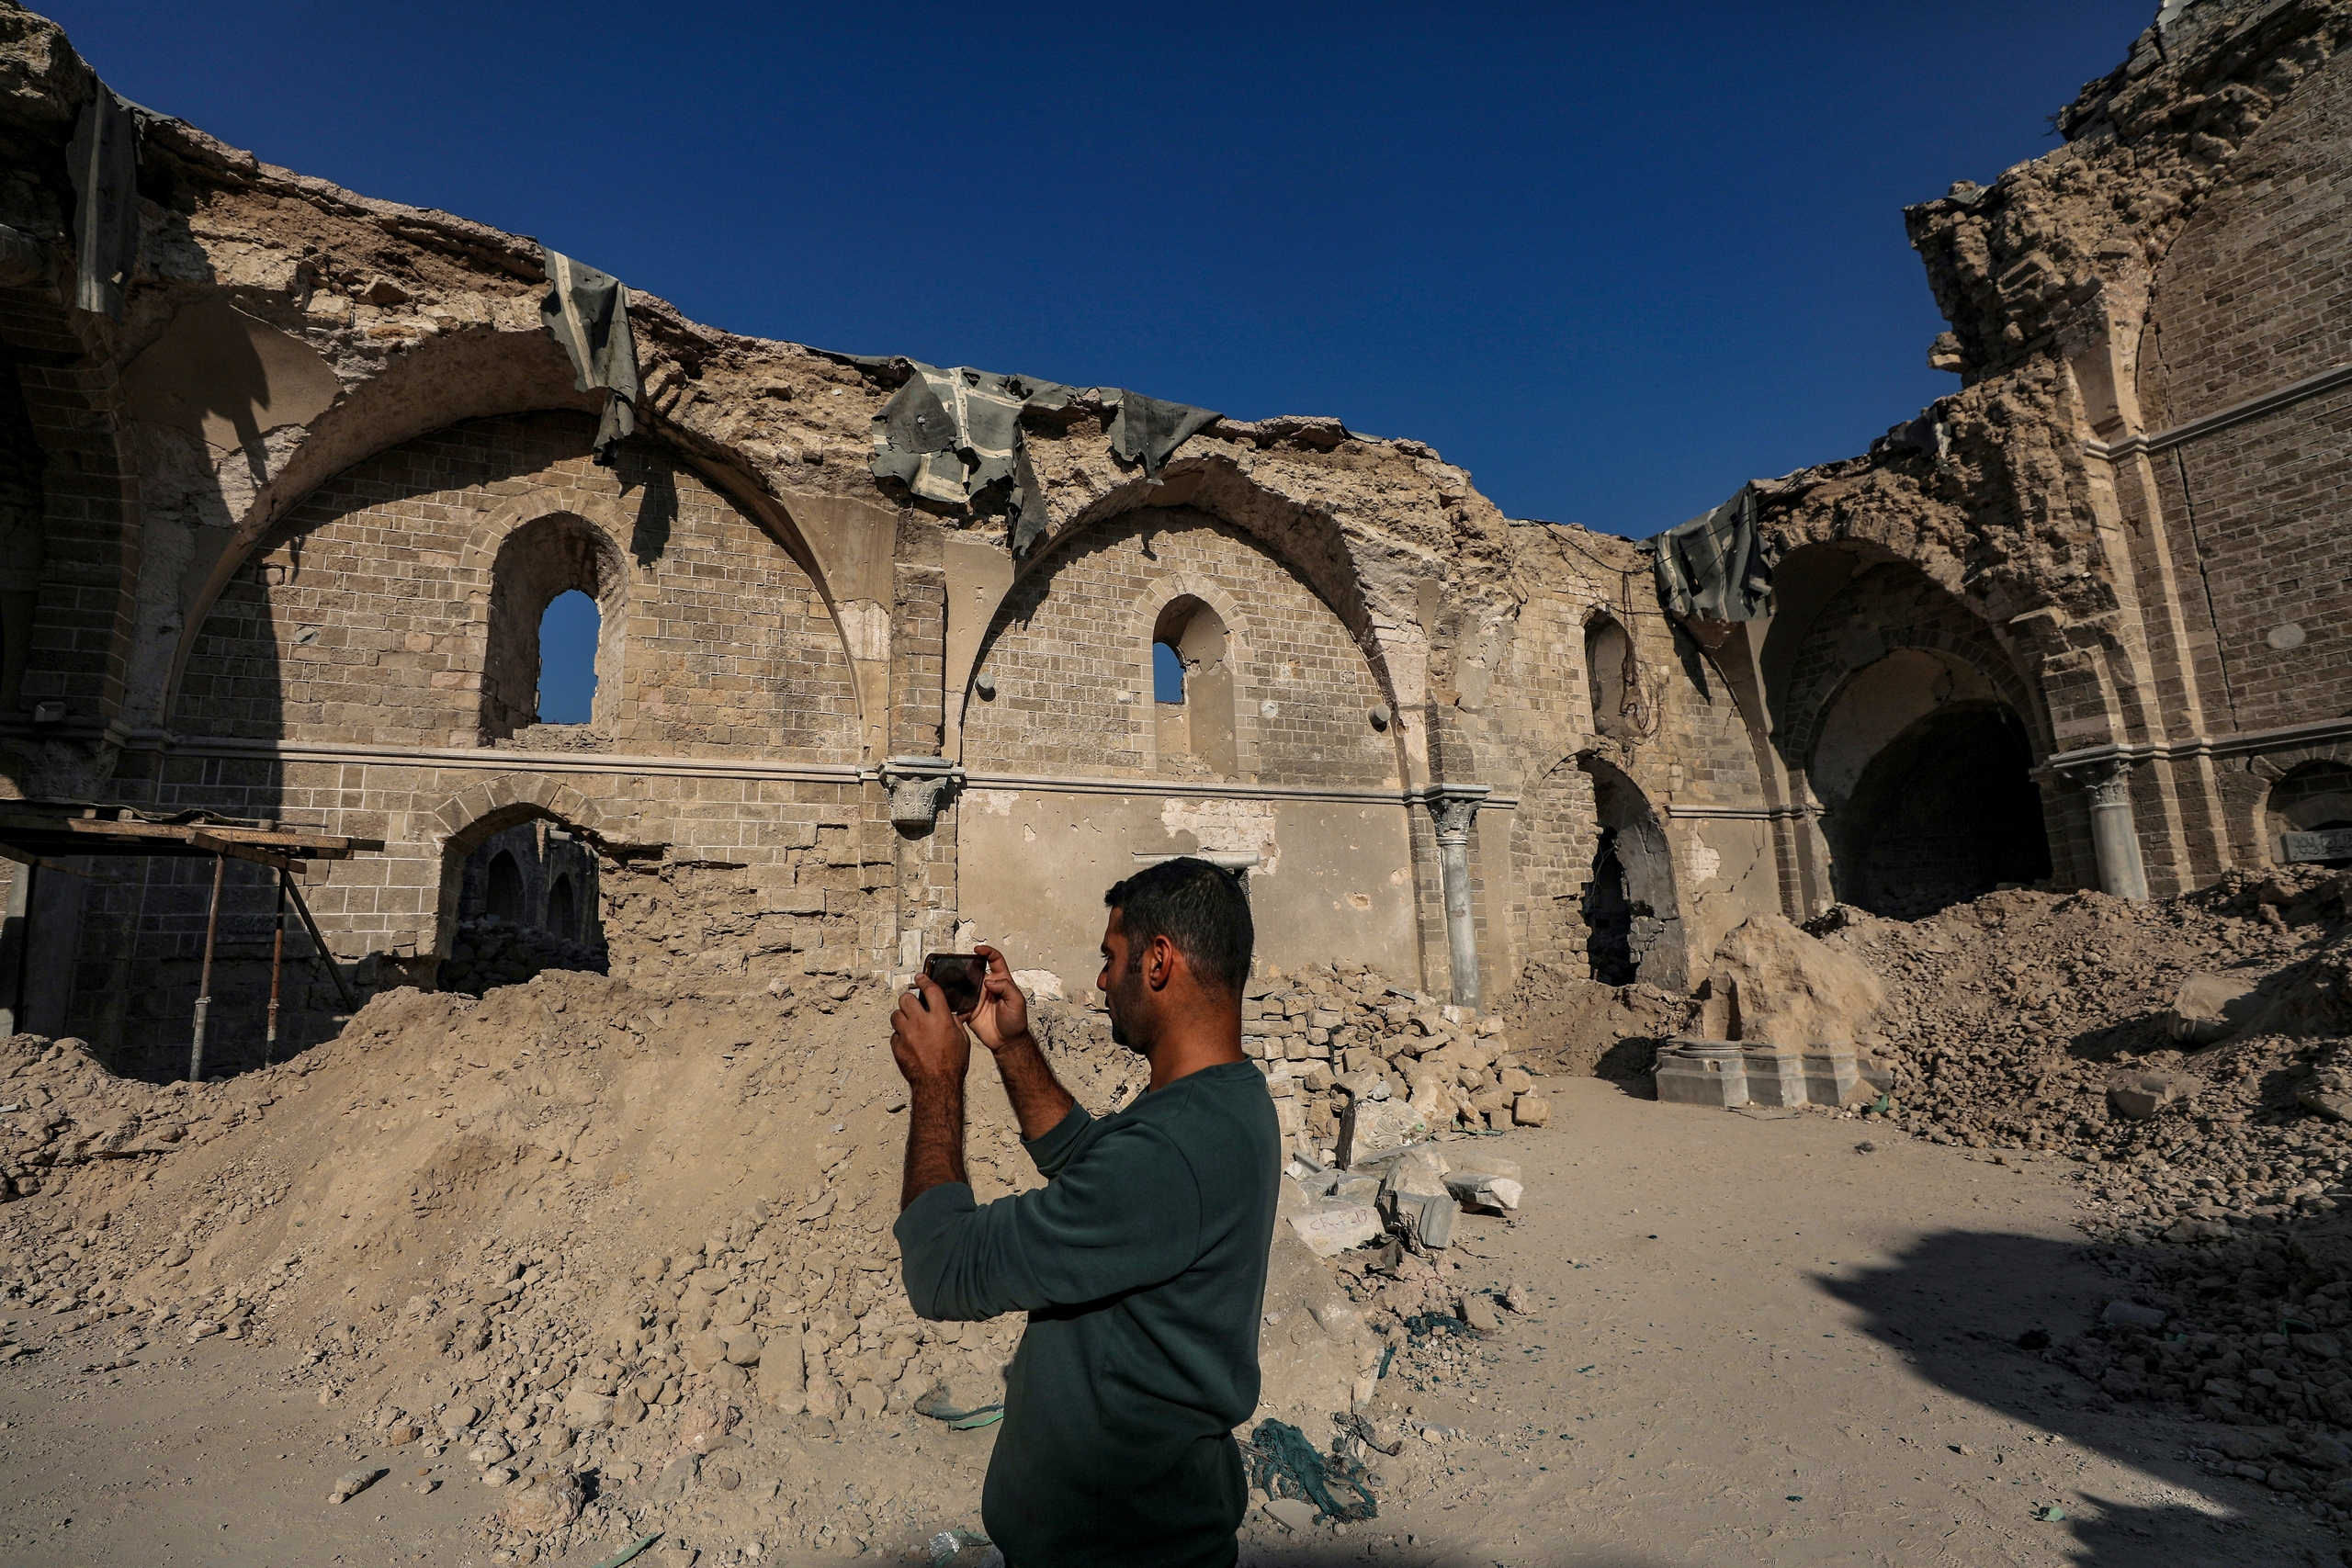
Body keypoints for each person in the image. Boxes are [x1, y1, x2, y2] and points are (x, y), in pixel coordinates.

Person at [889, 857, 1280, 1568]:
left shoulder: (1171, 1153)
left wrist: (937, 1084)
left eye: (1111, 958)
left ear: (1159, 962)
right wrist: (1010, 1045)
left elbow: (940, 1267)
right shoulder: (1225, 1105)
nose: (1102, 979)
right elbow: (1099, 1164)